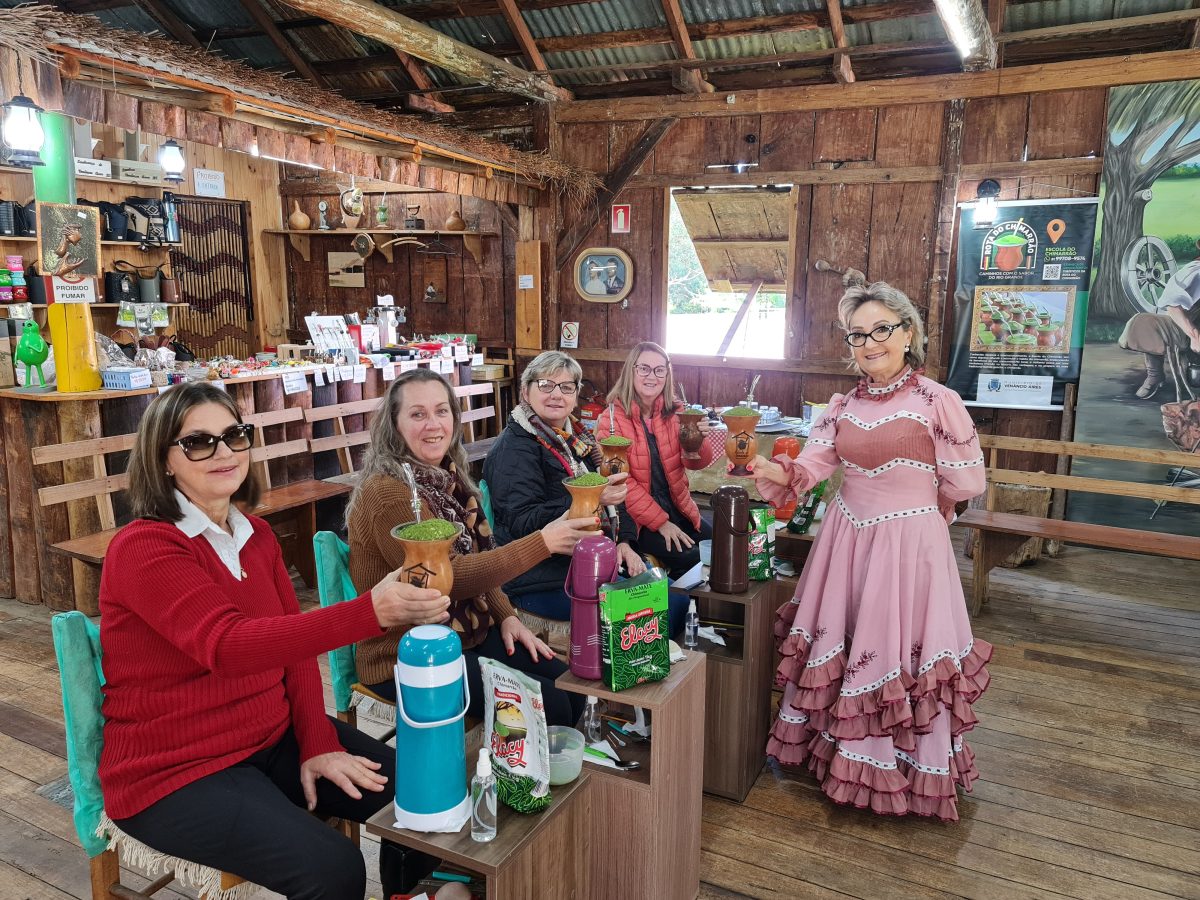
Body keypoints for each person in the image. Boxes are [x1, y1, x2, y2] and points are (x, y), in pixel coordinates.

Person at [98, 382, 453, 899]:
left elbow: (297, 653)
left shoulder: (256, 537)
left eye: (234, 436)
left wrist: (317, 743)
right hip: (175, 772)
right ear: (164, 461)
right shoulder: (145, 548)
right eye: (199, 442)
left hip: (269, 737)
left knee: (425, 792)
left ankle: (417, 892)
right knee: (332, 869)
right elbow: (229, 646)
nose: (223, 453)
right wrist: (367, 613)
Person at [749, 281, 991, 821]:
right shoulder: (842, 406)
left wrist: (925, 506)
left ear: (908, 333)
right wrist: (779, 471)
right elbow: (815, 463)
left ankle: (898, 764)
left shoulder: (937, 402)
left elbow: (968, 482)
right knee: (849, 639)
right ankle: (843, 752)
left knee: (898, 647)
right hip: (847, 537)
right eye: (858, 334)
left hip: (908, 545)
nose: (870, 342)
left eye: (882, 329)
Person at [347, 368, 594, 728]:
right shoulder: (390, 492)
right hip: (407, 655)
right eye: (418, 414)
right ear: (394, 425)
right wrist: (544, 542)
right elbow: (450, 578)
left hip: (467, 632)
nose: (433, 424)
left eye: (441, 411)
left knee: (570, 687)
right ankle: (508, 780)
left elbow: (476, 558)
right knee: (551, 707)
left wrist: (505, 614)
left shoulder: (447, 476)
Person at [484, 351, 645, 623]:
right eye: (545, 385)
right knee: (654, 610)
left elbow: (613, 497)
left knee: (667, 594)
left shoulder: (578, 439)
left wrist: (624, 542)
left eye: (566, 387)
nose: (556, 395)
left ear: (575, 395)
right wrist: (594, 498)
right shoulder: (514, 447)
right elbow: (522, 521)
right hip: (538, 576)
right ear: (526, 391)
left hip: (587, 559)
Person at [594, 341, 715, 580]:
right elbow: (620, 483)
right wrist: (661, 522)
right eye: (644, 369)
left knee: (723, 545)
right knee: (691, 557)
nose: (652, 376)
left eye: (660, 370)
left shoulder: (677, 411)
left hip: (679, 506)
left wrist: (699, 441)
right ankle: (684, 607)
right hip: (637, 518)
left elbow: (695, 464)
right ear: (632, 371)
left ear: (667, 374)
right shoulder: (611, 419)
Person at [1118, 243, 1200, 400]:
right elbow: (1173, 306)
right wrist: (1194, 335)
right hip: (1188, 327)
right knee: (1143, 323)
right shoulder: (1194, 272)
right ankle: (1155, 375)